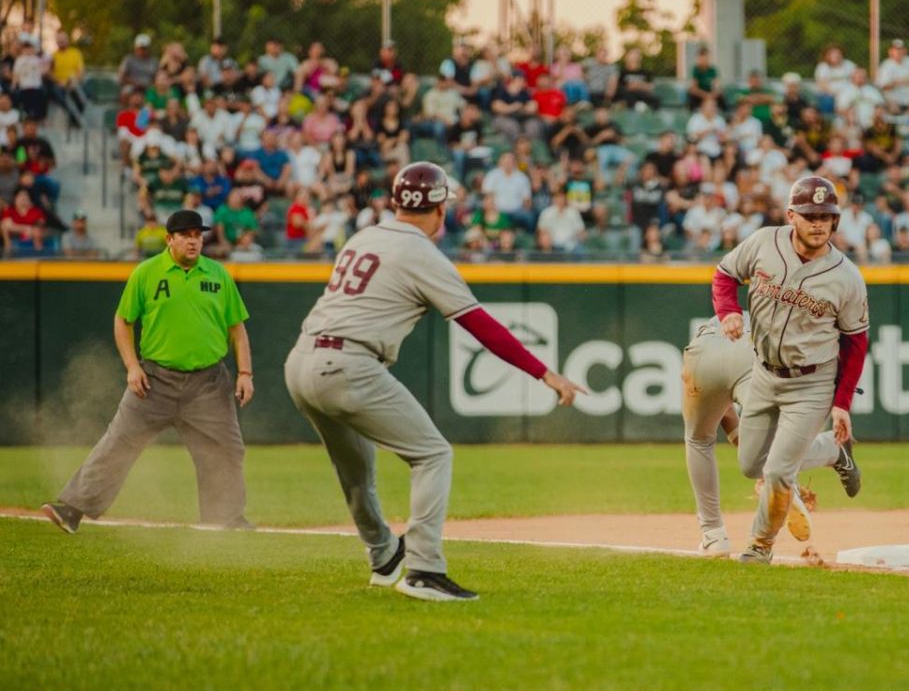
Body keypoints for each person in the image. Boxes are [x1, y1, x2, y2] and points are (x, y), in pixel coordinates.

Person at [284, 162, 584, 601]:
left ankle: (384, 556)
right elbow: (482, 327)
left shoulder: (364, 235)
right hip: (349, 364)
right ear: (440, 209)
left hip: (302, 360)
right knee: (433, 454)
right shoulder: (421, 253)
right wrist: (547, 373)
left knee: (355, 469)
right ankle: (423, 568)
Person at [41, 209, 255, 535]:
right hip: (155, 380)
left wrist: (245, 373)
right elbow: (123, 321)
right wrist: (131, 367)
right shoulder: (147, 272)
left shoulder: (218, 274)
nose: (193, 241)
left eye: (198, 235)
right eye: (186, 235)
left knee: (226, 448)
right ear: (169, 239)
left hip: (208, 383)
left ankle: (226, 519)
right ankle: (72, 509)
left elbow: (237, 329)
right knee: (119, 442)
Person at [710, 177, 869, 564]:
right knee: (751, 465)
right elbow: (725, 274)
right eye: (810, 215)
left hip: (812, 383)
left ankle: (760, 545)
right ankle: (833, 451)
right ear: (791, 216)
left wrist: (842, 402)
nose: (818, 223)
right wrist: (728, 312)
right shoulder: (765, 242)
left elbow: (856, 343)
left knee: (779, 472)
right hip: (764, 373)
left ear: (835, 222)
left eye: (826, 216)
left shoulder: (846, 276)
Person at [682, 314, 861, 557]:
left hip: (702, 355)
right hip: (752, 350)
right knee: (771, 450)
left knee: (698, 440)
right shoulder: (768, 315)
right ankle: (826, 452)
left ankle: (714, 535)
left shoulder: (724, 320)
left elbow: (724, 413)